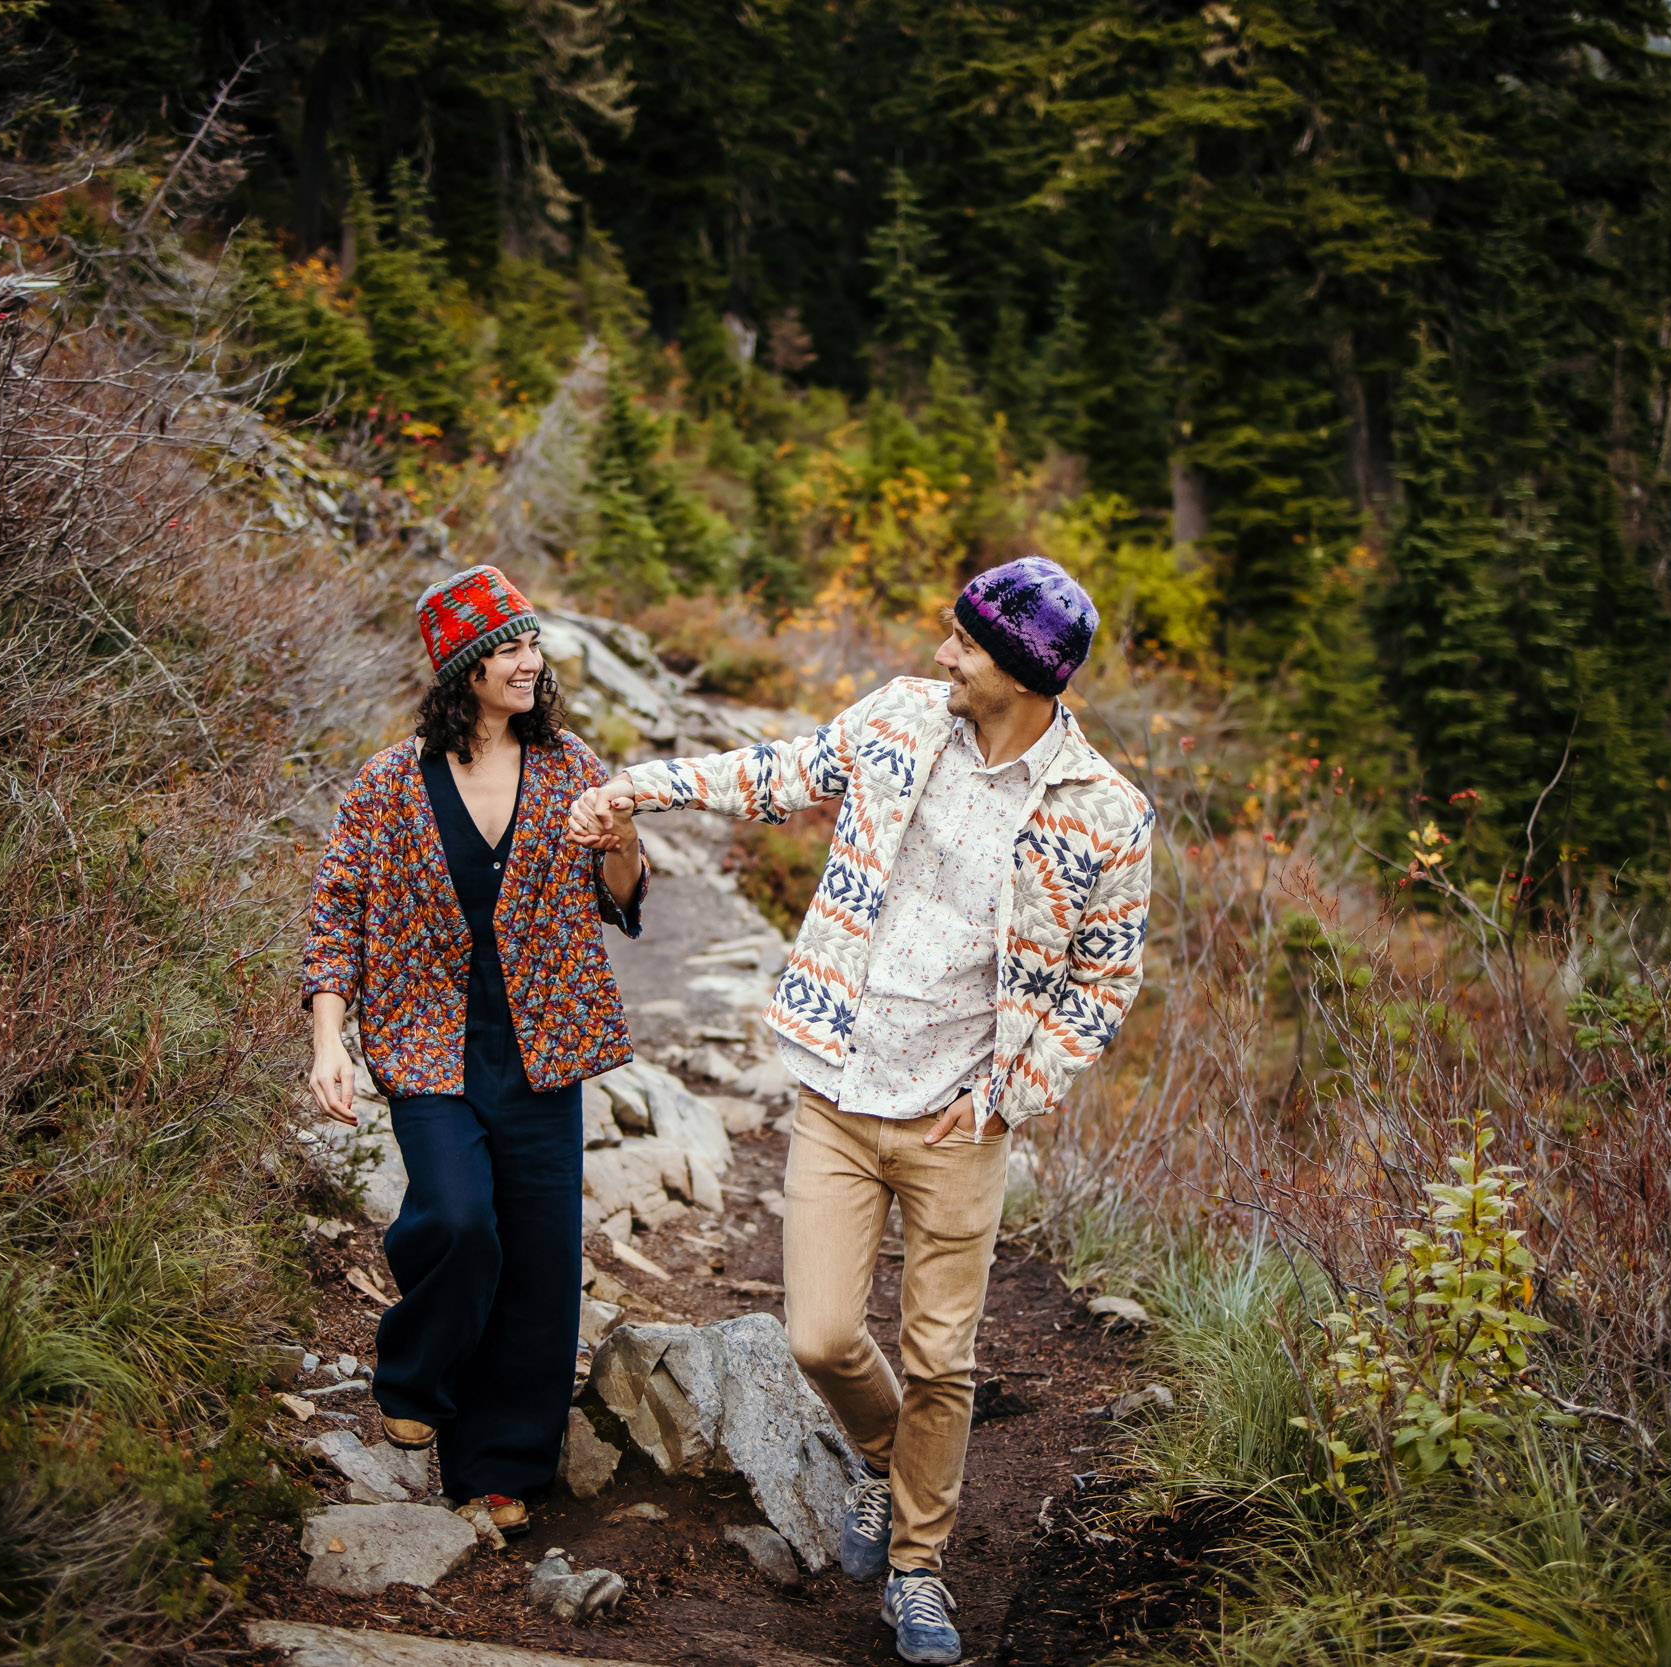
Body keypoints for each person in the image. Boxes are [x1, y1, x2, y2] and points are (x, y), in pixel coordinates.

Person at [566, 556, 1152, 1665]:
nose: (941, 654)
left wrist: (1005, 1094)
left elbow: (1102, 981)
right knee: (822, 1334)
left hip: (961, 1121)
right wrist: (644, 787)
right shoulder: (897, 719)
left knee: (941, 1357)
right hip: (838, 1087)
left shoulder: (1106, 813)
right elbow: (774, 773)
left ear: (1025, 675)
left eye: (965, 644)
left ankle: (920, 1566)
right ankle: (891, 1462)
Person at [303, 564, 646, 1539]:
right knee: (458, 1221)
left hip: (545, 1042)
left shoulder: (572, 763)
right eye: (506, 647)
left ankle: (499, 1463)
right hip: (427, 1042)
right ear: (462, 668)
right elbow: (337, 910)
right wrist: (330, 1036)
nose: (529, 660)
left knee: (539, 1259)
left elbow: (618, 889)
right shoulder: (387, 780)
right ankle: (412, 1369)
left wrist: (618, 836)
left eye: (532, 643)